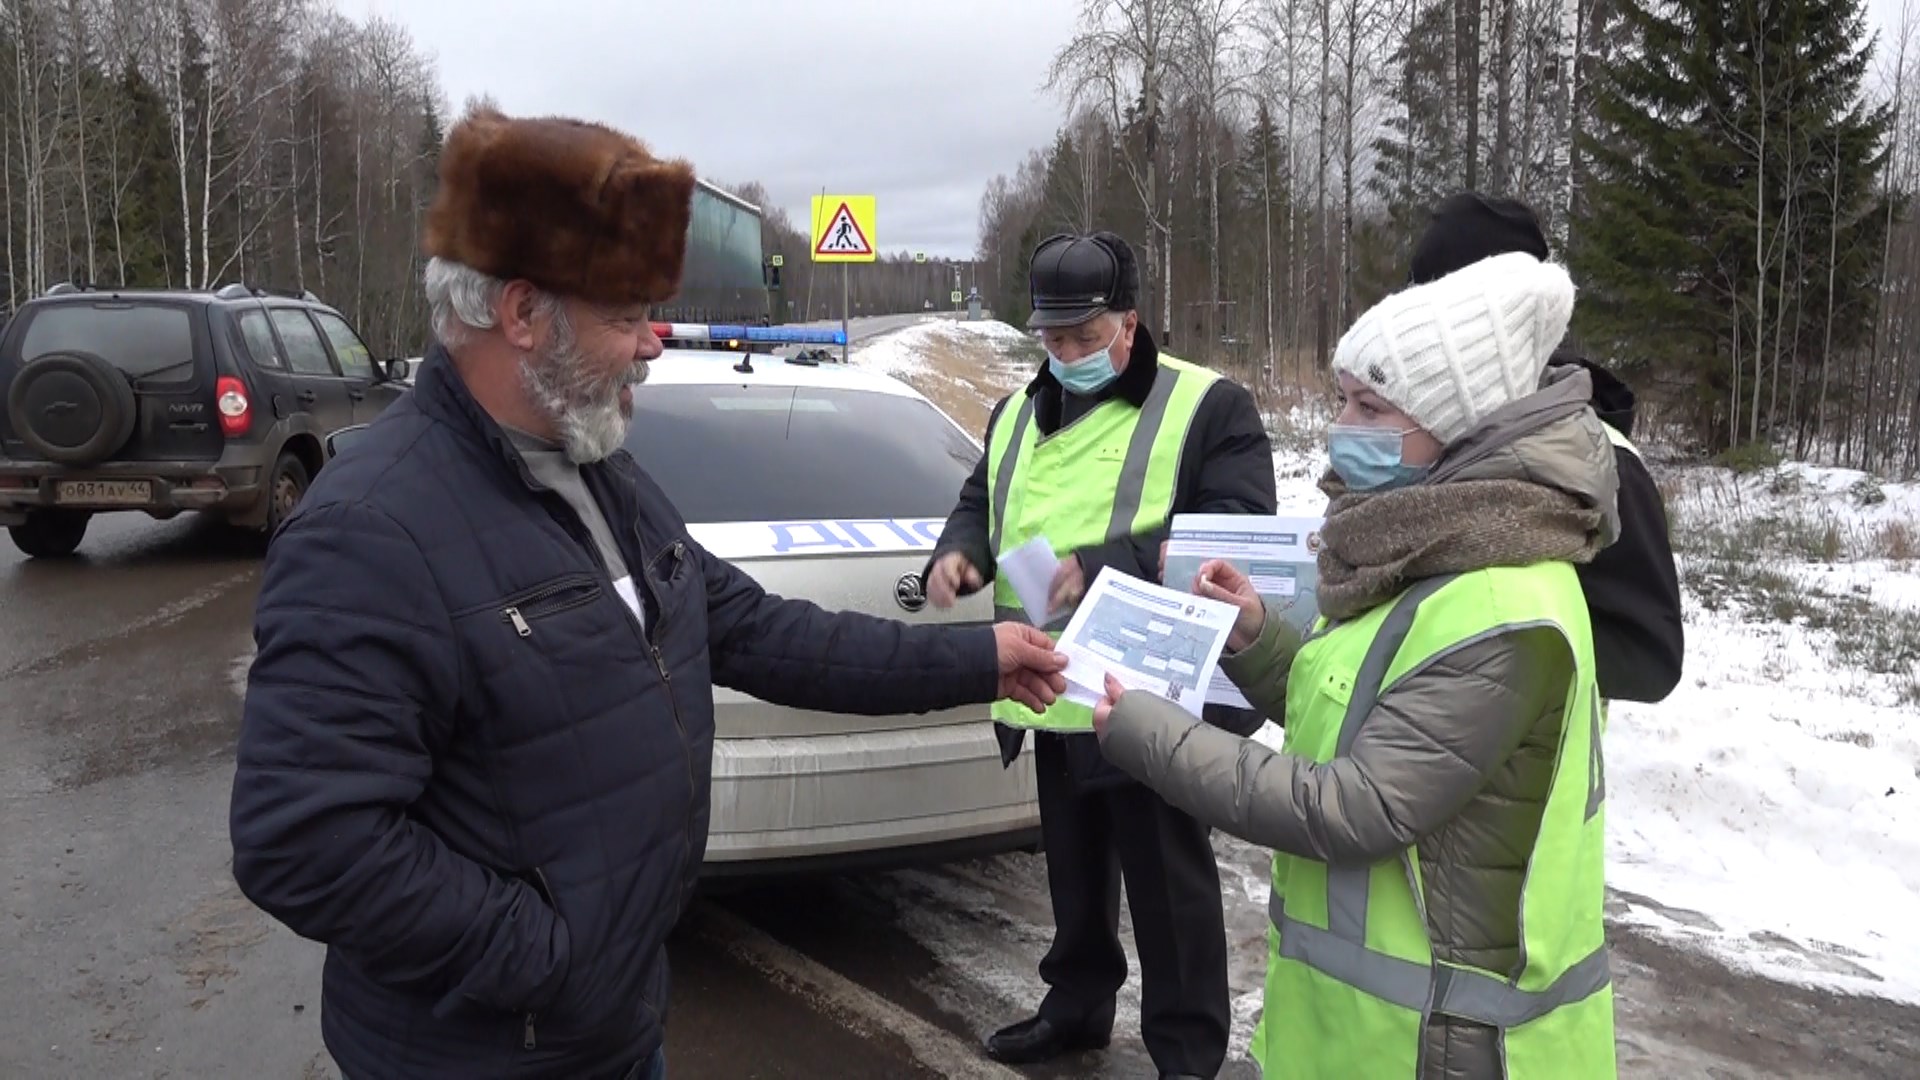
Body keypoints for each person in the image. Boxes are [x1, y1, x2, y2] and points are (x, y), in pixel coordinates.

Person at [227, 107, 1069, 1080]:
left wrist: (980, 658)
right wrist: (555, 959)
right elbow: (305, 841)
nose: (654, 342)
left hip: (618, 1029)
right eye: (625, 315)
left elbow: (760, 629)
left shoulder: (602, 475)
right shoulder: (372, 531)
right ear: (521, 312)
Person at [1093, 250, 1622, 1078]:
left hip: (1444, 1045)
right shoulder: (1427, 548)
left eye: (1368, 406)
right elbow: (1371, 708)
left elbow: (1354, 806)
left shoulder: (1500, 606)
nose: (1341, 426)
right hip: (1364, 1035)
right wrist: (1260, 638)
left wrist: (1149, 733)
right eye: (1342, 398)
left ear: (1456, 424)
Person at [924, 231, 1276, 1079]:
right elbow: (982, 499)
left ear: (1130, 322)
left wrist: (1106, 565)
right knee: (1074, 870)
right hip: (1048, 683)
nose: (1069, 354)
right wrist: (958, 551)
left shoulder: (1208, 406)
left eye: (1086, 338)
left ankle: (1186, 1050)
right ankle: (1076, 1005)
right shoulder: (1014, 412)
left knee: (1167, 888)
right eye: (1053, 339)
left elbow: (1234, 531)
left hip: (1148, 686)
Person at [1409, 191, 1683, 704]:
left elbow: (1651, 658)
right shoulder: (1423, 435)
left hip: (1534, 772)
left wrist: (1480, 647)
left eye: (1446, 312)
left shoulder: (1603, 461)